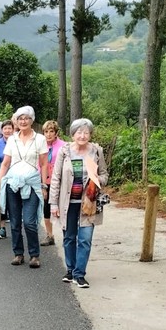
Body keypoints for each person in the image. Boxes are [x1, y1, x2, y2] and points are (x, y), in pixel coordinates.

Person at [49, 118, 108, 289]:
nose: (82, 136)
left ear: (90, 134)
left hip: (88, 203)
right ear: (73, 134)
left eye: (86, 132)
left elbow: (104, 174)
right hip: (68, 202)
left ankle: (79, 274)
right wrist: (53, 203)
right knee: (69, 237)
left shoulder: (97, 151)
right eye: (79, 132)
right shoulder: (65, 151)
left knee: (85, 239)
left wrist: (97, 180)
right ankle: (70, 269)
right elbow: (56, 178)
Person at [0, 106, 48, 269]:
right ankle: (18, 253)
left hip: (31, 184)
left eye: (26, 118)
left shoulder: (39, 139)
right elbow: (5, 164)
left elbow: (44, 163)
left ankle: (34, 255)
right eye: (20, 118)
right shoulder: (12, 139)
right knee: (15, 221)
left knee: (30, 222)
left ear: (32, 120)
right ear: (16, 121)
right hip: (12, 184)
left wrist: (44, 185)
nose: (23, 121)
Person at [40, 120, 66, 247]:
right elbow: (38, 164)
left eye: (51, 131)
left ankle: (66, 234)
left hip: (60, 182)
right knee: (46, 208)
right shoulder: (41, 145)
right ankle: (50, 235)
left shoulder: (63, 146)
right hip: (46, 180)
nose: (49, 134)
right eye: (46, 132)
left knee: (61, 208)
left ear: (56, 133)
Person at [0, 119, 15, 240]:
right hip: (2, 175)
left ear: (13, 130)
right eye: (5, 128)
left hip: (15, 176)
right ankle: (2, 227)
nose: (7, 130)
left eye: (9, 128)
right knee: (2, 203)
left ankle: (14, 227)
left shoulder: (17, 142)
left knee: (13, 202)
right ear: (2, 130)